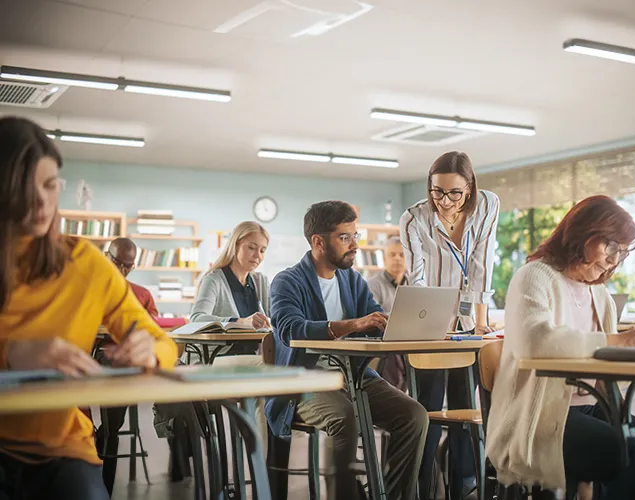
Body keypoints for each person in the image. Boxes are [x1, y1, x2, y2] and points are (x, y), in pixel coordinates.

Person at [0, 116, 178, 500]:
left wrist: (149, 351)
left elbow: (161, 342)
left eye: (50, 186)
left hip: (60, 447)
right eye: (24, 187)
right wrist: (11, 352)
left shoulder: (84, 262)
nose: (42, 202)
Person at [486, 195, 635, 500]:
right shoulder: (534, 276)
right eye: (611, 246)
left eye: (623, 253)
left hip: (595, 406)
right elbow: (536, 343)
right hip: (538, 417)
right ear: (583, 233)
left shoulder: (599, 295)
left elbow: (606, 368)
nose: (615, 260)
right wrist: (621, 341)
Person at [267, 201, 428, 500]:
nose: (355, 244)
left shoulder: (351, 280)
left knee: (414, 415)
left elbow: (374, 318)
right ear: (318, 241)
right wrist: (351, 324)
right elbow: (291, 330)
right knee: (345, 417)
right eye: (345, 237)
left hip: (353, 376)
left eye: (356, 235)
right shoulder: (286, 282)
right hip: (303, 380)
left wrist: (400, 324)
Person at [400, 151, 500, 497]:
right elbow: (417, 278)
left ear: (470, 189)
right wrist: (434, 321)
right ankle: (421, 487)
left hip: (468, 325)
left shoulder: (488, 206)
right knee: (426, 410)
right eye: (436, 191)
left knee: (465, 409)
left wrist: (477, 321)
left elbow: (481, 266)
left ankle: (464, 486)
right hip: (430, 325)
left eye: (454, 193)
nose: (444, 201)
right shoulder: (414, 219)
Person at [189, 220, 272, 449]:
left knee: (269, 384)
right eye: (251, 247)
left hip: (251, 360)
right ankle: (264, 466)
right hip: (218, 359)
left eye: (263, 250)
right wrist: (239, 321)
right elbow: (196, 319)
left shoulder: (260, 282)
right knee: (269, 372)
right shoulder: (214, 279)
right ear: (236, 245)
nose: (257, 255)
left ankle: (266, 463)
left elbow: (273, 319)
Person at [96, 237, 160, 494]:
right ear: (105, 255)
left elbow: (154, 327)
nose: (121, 271)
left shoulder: (142, 294)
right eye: (116, 262)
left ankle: (106, 440)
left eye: (128, 266)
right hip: (95, 352)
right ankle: (100, 436)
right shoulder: (90, 287)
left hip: (126, 360)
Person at [367, 236, 408, 390]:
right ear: (384, 259)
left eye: (402, 255)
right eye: (392, 255)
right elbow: (373, 319)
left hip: (412, 340)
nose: (397, 258)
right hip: (385, 342)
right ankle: (394, 394)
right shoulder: (372, 285)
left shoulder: (414, 283)